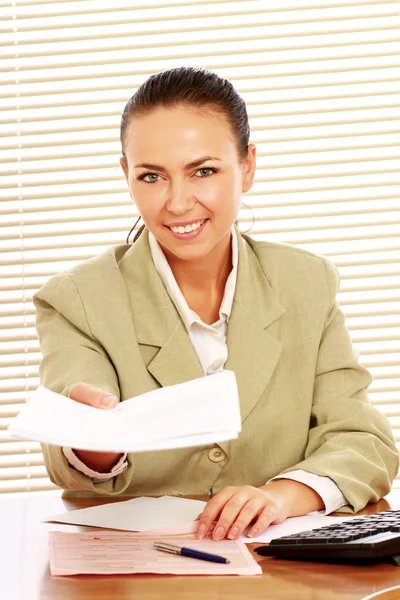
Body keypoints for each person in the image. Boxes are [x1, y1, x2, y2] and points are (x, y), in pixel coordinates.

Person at [33, 67, 398, 543]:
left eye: (203, 171)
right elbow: (71, 463)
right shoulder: (77, 298)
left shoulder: (306, 283)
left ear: (246, 166)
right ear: (127, 175)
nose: (178, 203)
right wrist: (93, 440)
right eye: (152, 176)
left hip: (283, 574)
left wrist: (281, 495)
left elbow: (363, 440)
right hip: (139, 574)